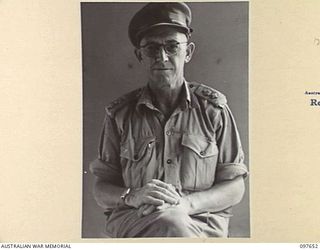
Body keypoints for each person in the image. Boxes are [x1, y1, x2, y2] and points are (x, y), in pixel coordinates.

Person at [90, 2, 248, 238]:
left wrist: (187, 205)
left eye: (172, 46)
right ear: (139, 55)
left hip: (200, 224)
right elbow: (101, 188)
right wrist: (133, 196)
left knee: (174, 222)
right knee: (169, 223)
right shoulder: (120, 115)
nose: (161, 57)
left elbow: (235, 186)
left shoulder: (213, 110)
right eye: (151, 48)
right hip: (137, 222)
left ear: (189, 52)